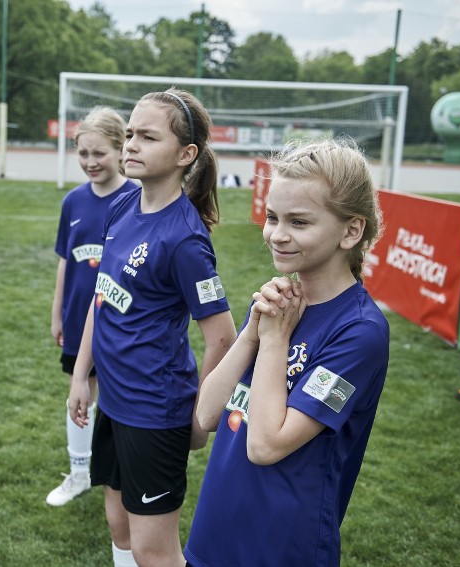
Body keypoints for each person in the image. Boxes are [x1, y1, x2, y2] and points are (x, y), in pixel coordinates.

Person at [184, 138, 390, 567]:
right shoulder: (278, 304)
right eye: (273, 217)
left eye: (299, 222)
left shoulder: (360, 332)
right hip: (215, 534)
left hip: (280, 546)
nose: (277, 234)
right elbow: (205, 415)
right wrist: (253, 334)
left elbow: (265, 445)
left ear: (351, 231)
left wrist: (275, 340)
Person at [67, 89, 237, 567]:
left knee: (154, 551)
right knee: (120, 526)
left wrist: (201, 419)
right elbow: (101, 300)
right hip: (114, 402)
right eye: (129, 135)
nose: (131, 146)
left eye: (147, 136)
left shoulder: (185, 239)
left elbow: (222, 336)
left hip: (155, 410)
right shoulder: (123, 207)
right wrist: (82, 374)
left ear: (186, 155)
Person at [47, 106, 139, 507]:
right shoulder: (73, 201)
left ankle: (123, 475)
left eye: (98, 153)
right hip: (76, 321)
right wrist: (57, 313)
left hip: (123, 324)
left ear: (121, 150)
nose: (89, 162)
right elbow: (64, 264)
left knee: (120, 399)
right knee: (80, 392)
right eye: (83, 153)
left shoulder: (137, 198)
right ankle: (80, 472)